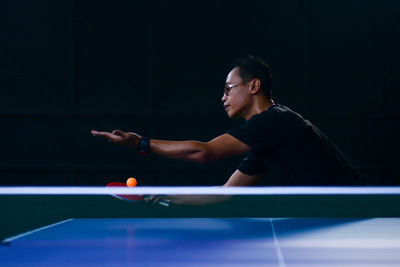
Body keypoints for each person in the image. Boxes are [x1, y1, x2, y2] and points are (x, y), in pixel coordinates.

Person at [92, 55, 361, 203]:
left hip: (354, 213)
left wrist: (140, 143)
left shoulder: (275, 121)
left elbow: (203, 152)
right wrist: (156, 195)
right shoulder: (268, 136)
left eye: (228, 89)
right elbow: (224, 193)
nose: (223, 97)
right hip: (338, 212)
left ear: (254, 86)